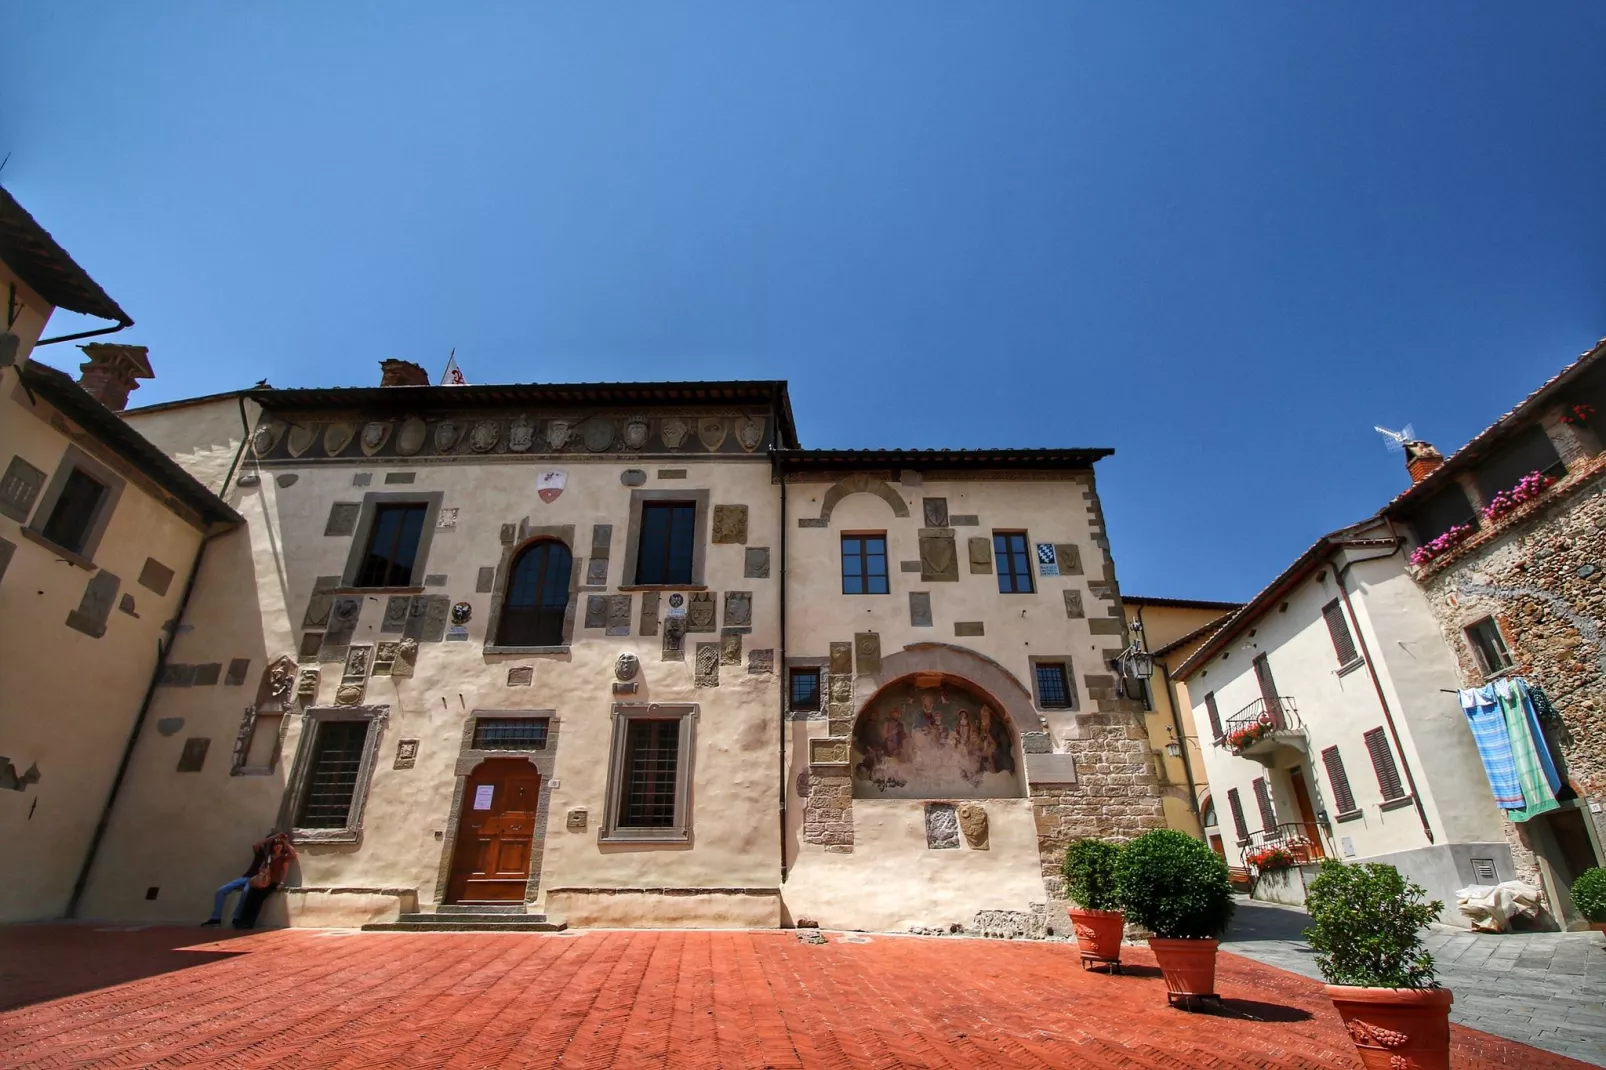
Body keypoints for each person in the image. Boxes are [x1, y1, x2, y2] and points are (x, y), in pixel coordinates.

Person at [202, 832, 292, 927]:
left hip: (256, 880)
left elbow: (290, 856)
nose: (274, 845)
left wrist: (283, 841)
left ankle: (236, 918)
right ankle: (216, 918)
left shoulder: (273, 857)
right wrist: (272, 837)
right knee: (221, 891)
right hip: (246, 877)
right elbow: (256, 845)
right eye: (273, 842)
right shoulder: (262, 852)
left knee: (246, 892)